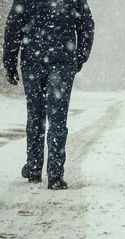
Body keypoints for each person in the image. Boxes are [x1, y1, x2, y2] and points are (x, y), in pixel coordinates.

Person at [3, 0, 94, 189]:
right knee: (58, 119)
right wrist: (80, 56)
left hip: (32, 60)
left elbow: (13, 26)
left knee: (35, 115)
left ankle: (34, 168)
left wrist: (10, 63)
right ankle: (55, 175)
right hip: (62, 60)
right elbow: (86, 24)